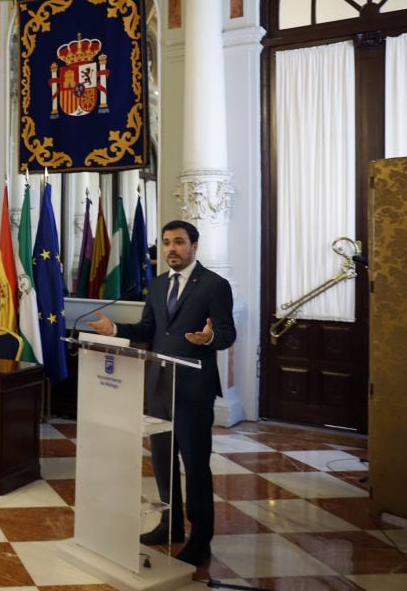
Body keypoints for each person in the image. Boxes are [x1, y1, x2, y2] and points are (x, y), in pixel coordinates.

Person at [87, 220, 235, 567]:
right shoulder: (156, 285)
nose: (172, 249)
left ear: (194, 246)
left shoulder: (215, 285)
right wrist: (115, 329)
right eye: (167, 242)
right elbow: (147, 329)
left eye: (179, 242)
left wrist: (208, 338)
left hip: (193, 390)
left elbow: (227, 334)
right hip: (157, 387)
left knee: (195, 465)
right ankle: (169, 524)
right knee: (162, 461)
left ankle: (200, 537)